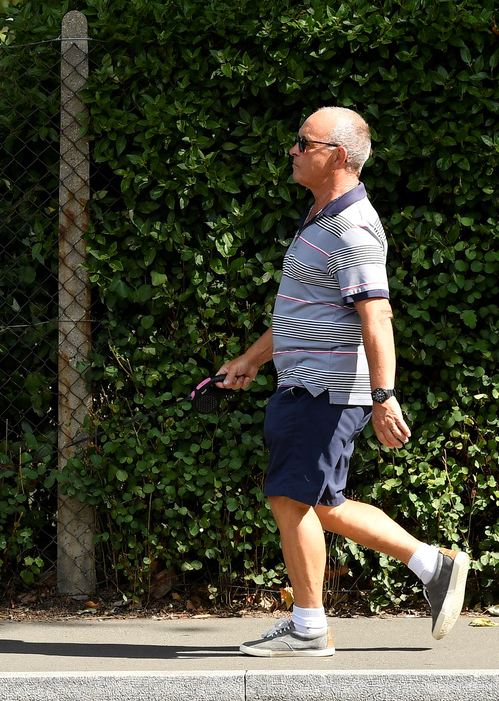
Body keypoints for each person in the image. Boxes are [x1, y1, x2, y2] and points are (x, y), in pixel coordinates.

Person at [215, 106, 470, 657]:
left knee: (289, 500)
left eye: (302, 142)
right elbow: (306, 308)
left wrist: (384, 397)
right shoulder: (321, 217)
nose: (292, 150)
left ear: (335, 155)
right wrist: (253, 358)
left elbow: (376, 315)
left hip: (323, 390)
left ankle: (308, 627)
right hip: (307, 384)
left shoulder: (351, 228)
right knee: (323, 503)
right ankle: (434, 565)